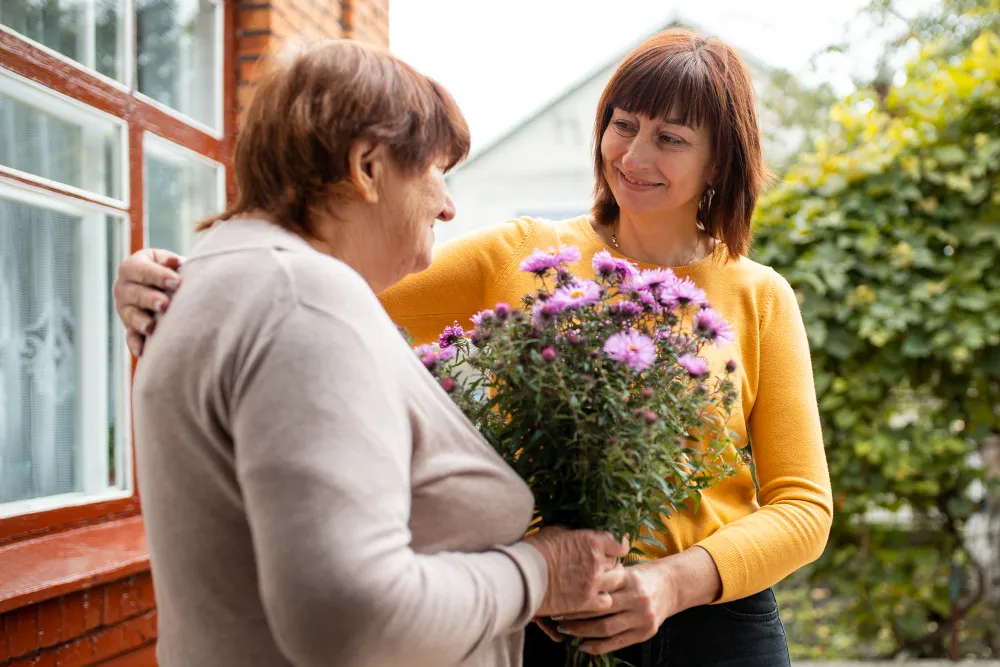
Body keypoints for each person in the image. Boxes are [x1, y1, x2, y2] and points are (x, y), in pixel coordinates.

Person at [116, 28, 833, 667]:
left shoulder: (761, 297)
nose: (634, 154)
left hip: (719, 622)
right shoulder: (523, 254)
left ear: (719, 163)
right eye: (623, 124)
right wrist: (169, 278)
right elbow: (318, 275)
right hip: (552, 610)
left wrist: (673, 582)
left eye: (670, 138)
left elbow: (803, 506)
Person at [128, 39, 630, 667]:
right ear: (367, 166)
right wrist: (540, 574)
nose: (448, 205)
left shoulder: (217, 275)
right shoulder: (305, 299)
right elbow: (348, 617)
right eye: (434, 171)